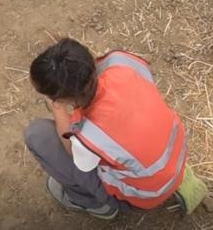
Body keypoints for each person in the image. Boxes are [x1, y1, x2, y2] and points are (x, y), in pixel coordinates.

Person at [23, 38, 189, 219]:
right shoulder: (120, 61)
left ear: (61, 98)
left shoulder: (89, 134)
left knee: (38, 135)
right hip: (176, 161)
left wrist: (57, 109)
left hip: (143, 197)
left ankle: (94, 204)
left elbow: (76, 156)